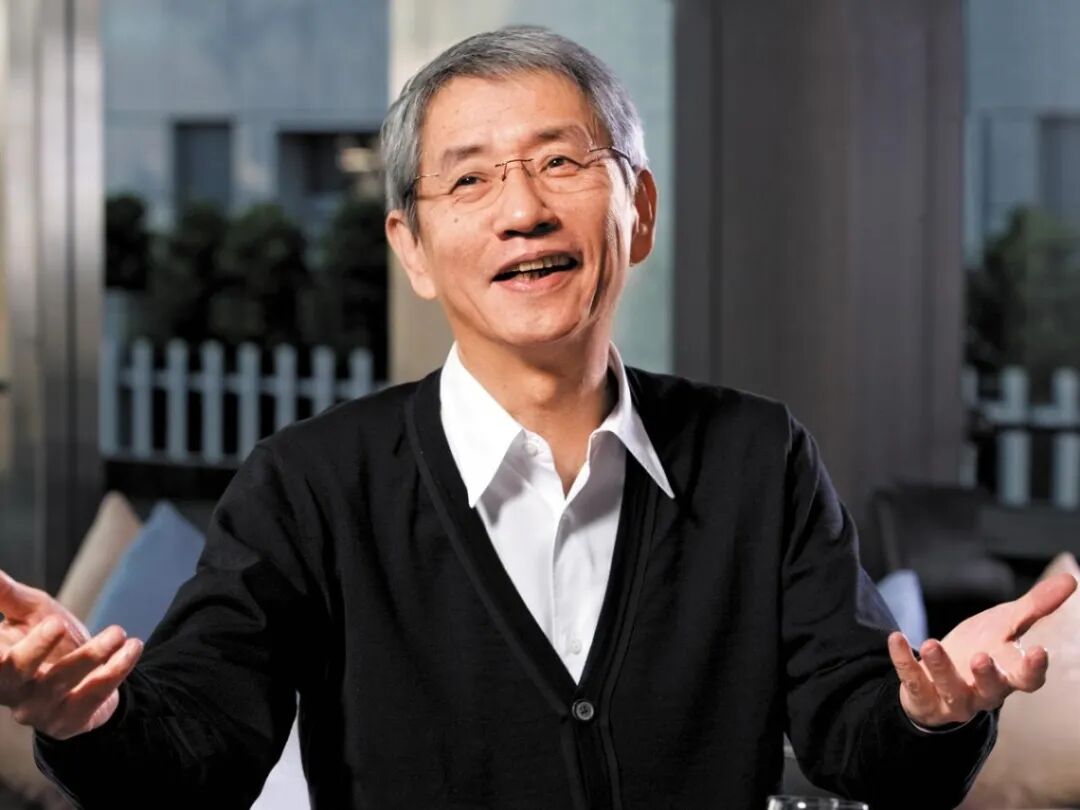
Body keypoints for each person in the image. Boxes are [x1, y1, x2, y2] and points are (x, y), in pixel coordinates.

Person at [1, 25, 1075, 810]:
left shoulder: (758, 456)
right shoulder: (312, 484)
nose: (523, 210)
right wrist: (89, 718)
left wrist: (937, 711)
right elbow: (198, 755)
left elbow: (855, 734)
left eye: (562, 162)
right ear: (412, 248)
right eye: (470, 180)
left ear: (638, 210)